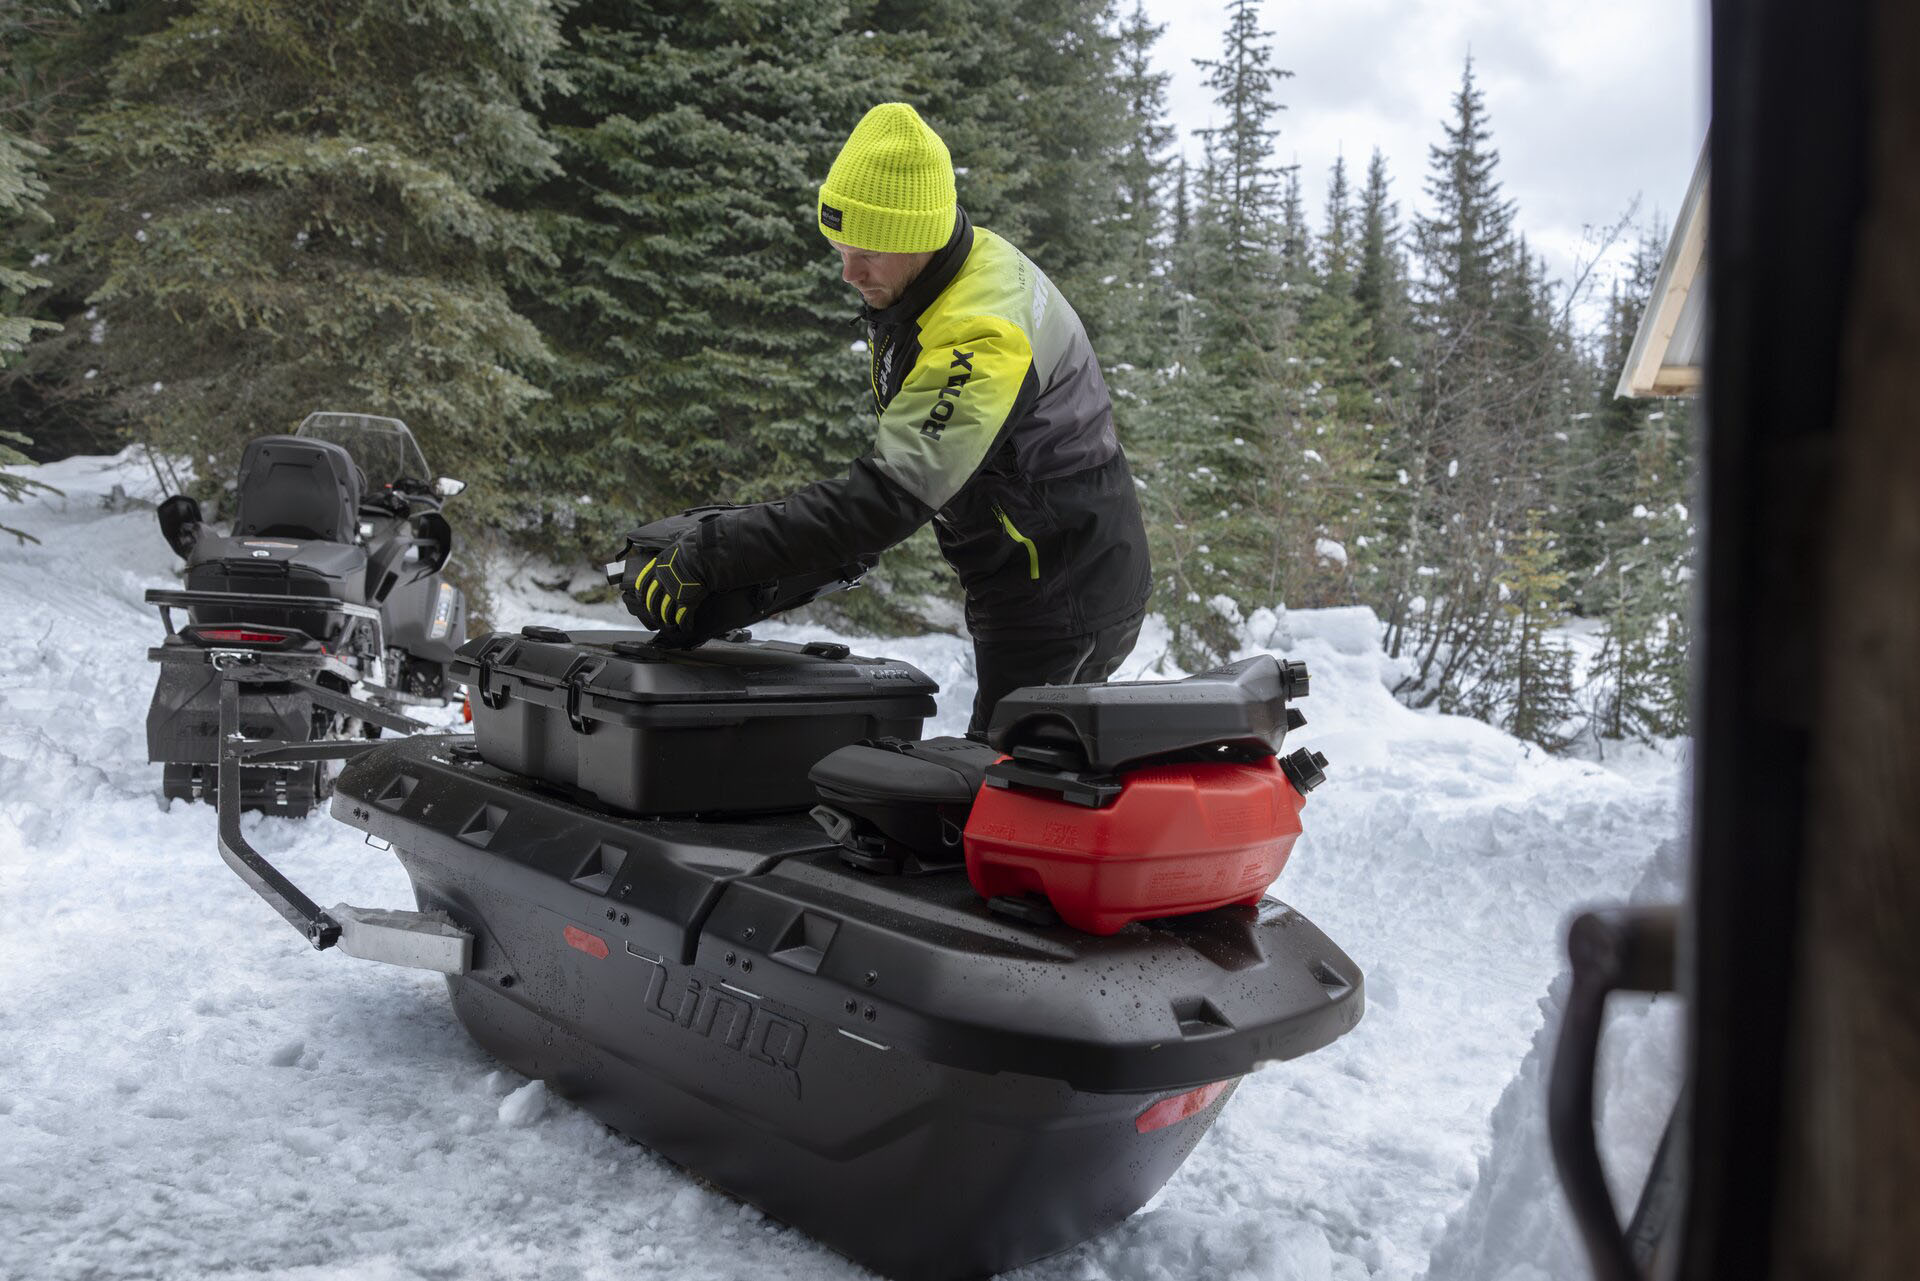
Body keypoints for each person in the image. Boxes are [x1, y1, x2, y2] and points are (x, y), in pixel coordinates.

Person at [630, 102, 1150, 733]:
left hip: (1064, 589)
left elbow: (890, 498)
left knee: (1012, 776)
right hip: (1025, 569)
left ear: (920, 237)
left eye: (867, 253)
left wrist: (719, 553)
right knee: (1004, 764)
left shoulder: (983, 332)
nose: (848, 273)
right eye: (839, 249)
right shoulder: (938, 274)